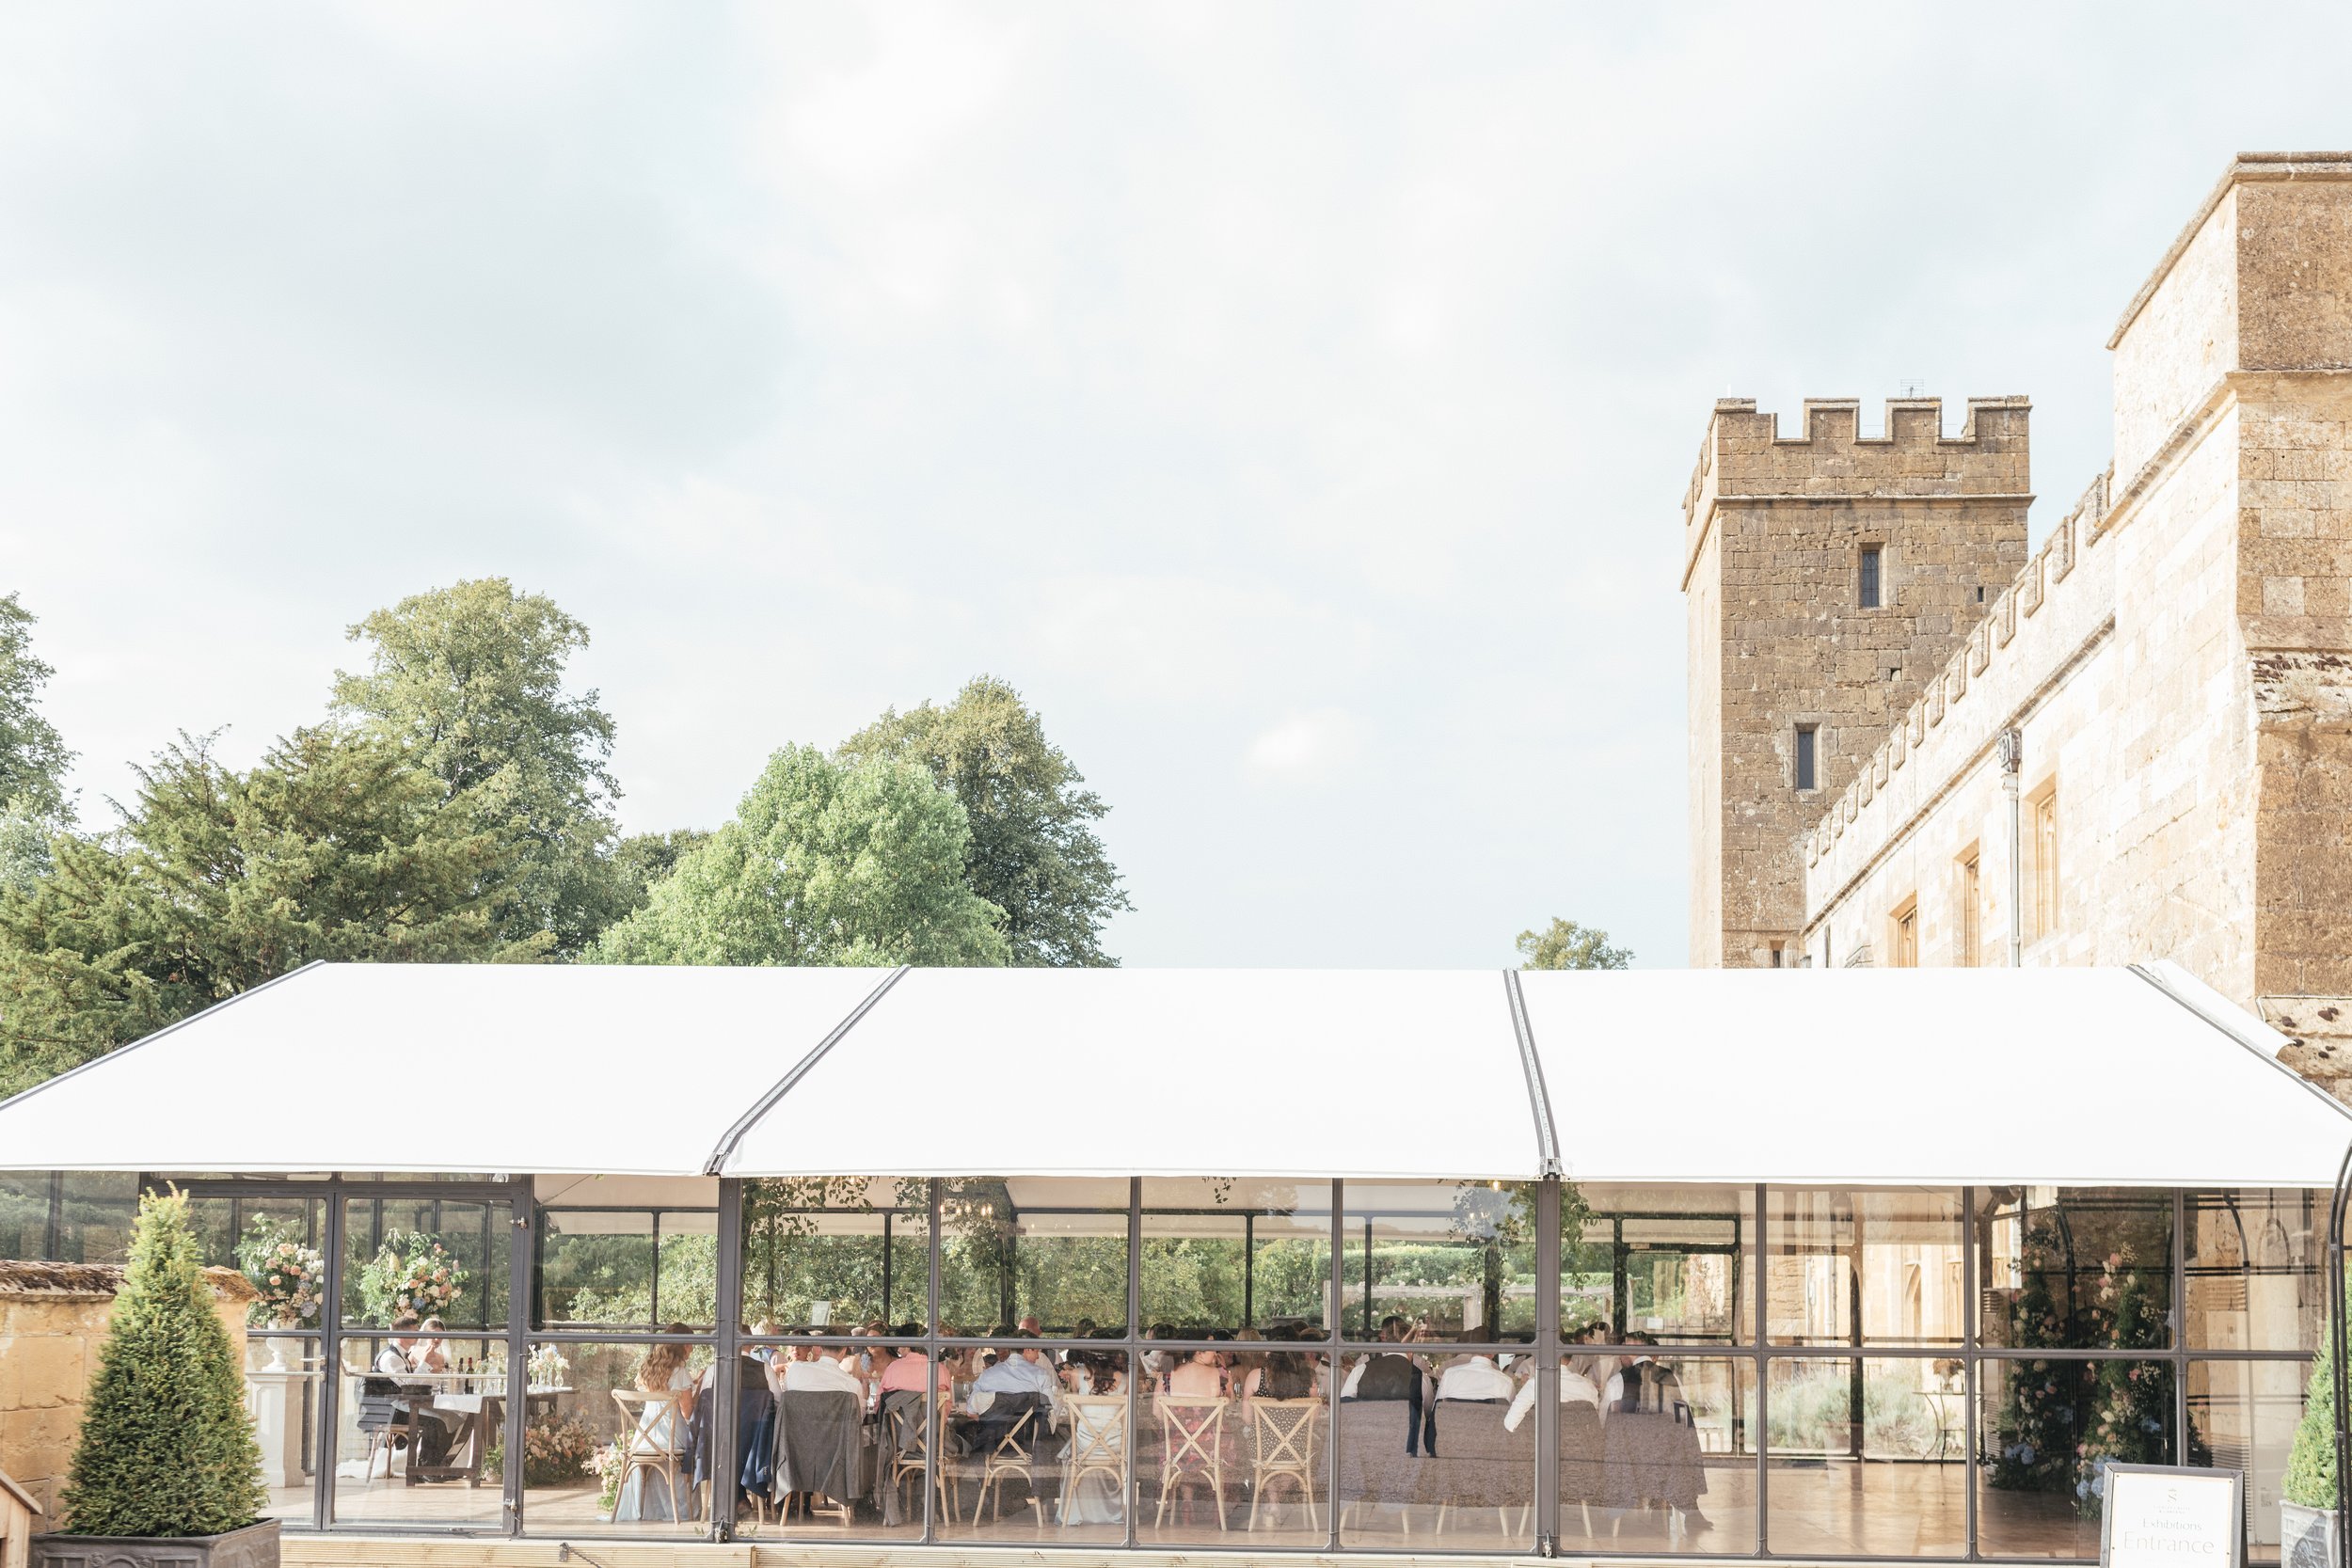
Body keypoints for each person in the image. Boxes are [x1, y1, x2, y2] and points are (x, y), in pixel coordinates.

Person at [612, 1327, 701, 1523]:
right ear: (684, 1346)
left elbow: (661, 1395)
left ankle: (652, 1510)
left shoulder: (649, 1368)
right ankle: (684, 1511)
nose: (693, 1348)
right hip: (670, 1437)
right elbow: (687, 1412)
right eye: (691, 1344)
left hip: (644, 1438)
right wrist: (699, 1389)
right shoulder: (680, 1371)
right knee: (696, 1444)